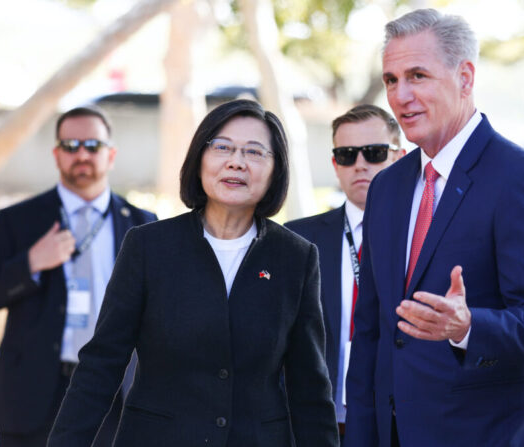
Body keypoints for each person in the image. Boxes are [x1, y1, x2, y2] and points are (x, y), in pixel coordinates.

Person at [47, 99, 338, 446]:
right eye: (222, 147)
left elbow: (310, 387)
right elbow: (102, 363)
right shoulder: (148, 246)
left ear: (277, 170)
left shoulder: (296, 257)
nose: (236, 161)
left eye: (255, 152)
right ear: (199, 159)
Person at [344, 9, 524, 447]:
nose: (401, 95)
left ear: (465, 77)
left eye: (417, 76)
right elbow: (371, 330)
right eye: (391, 80)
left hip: (494, 434)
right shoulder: (387, 187)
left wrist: (467, 327)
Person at [0, 105, 156, 447]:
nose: (81, 154)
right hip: (32, 394)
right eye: (70, 145)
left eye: (92, 145)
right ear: (56, 154)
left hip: (115, 393)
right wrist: (31, 263)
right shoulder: (16, 221)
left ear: (110, 154)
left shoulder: (143, 223)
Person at [285, 104, 405, 438]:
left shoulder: (425, 236)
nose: (361, 165)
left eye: (375, 153)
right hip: (318, 420)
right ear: (335, 164)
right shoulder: (296, 237)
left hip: (397, 419)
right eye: (347, 154)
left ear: (400, 157)